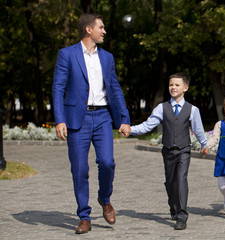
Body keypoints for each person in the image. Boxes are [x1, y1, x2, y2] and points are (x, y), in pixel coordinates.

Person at [52, 13, 131, 234]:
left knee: (107, 163)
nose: (104, 31)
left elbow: (114, 89)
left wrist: (124, 119)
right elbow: (58, 88)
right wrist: (60, 120)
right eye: (101, 27)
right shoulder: (67, 55)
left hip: (103, 117)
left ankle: (104, 198)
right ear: (89, 30)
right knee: (80, 170)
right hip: (78, 119)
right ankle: (84, 217)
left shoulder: (107, 57)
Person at [130, 72, 207, 230]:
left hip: (184, 150)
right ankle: (173, 205)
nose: (173, 87)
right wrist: (130, 129)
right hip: (167, 151)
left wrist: (204, 144)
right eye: (171, 84)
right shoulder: (161, 108)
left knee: (181, 180)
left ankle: (181, 216)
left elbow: (198, 130)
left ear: (185, 88)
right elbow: (147, 125)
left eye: (177, 85)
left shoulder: (192, 110)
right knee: (171, 183)